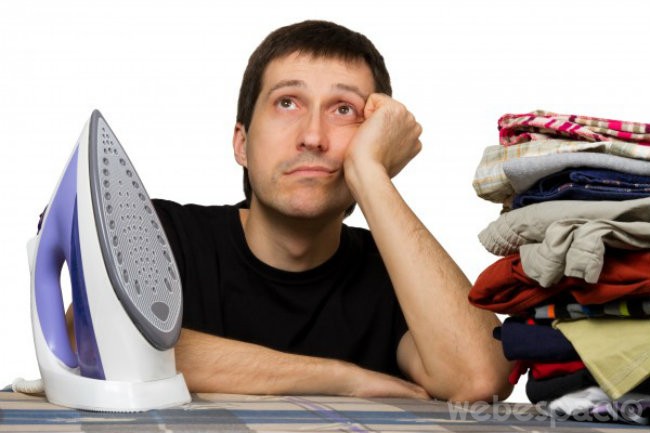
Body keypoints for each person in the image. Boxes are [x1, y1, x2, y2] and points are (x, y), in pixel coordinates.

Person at [151, 20, 512, 402]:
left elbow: (479, 379)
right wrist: (339, 379)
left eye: (343, 109)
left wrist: (370, 173)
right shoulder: (160, 234)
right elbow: (111, 345)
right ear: (242, 143)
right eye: (287, 102)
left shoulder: (397, 274)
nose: (313, 137)